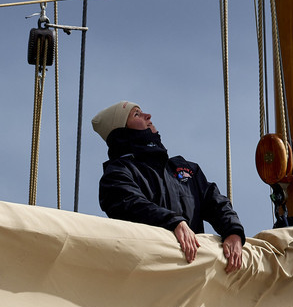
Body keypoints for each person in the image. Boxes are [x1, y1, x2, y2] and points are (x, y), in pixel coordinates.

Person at [93, 99, 246, 271]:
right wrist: (174, 222)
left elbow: (215, 202)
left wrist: (233, 232)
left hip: (197, 276)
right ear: (121, 131)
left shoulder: (185, 169)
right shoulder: (118, 173)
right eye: (137, 114)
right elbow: (131, 205)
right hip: (151, 275)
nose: (148, 115)